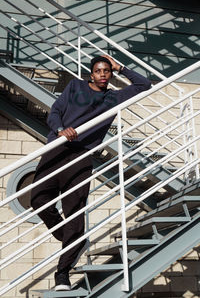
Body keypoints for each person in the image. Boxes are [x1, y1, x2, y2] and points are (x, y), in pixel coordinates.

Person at [31, 55, 151, 291]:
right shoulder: (75, 86)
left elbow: (143, 85)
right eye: (99, 71)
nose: (103, 74)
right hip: (56, 148)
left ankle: (62, 274)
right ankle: (73, 239)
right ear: (91, 73)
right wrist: (59, 130)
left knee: (74, 213)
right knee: (38, 199)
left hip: (80, 158)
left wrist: (121, 67)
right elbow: (55, 112)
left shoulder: (114, 97)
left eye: (107, 71)